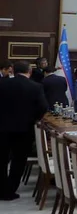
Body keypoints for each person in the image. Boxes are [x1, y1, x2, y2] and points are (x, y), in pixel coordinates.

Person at [0, 61, 48, 201]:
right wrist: (33, 118)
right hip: (24, 129)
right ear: (30, 71)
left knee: (1, 159)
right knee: (19, 160)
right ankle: (10, 190)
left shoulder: (2, 84)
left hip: (2, 128)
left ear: (13, 71)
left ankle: (1, 189)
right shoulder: (36, 86)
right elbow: (43, 107)